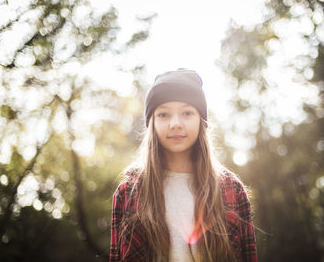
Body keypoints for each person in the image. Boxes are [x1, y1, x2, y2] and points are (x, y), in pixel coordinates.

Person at [109, 69, 257, 262]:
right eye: (164, 115)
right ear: (151, 123)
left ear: (201, 121)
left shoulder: (231, 188)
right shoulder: (129, 191)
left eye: (187, 113)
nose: (175, 124)